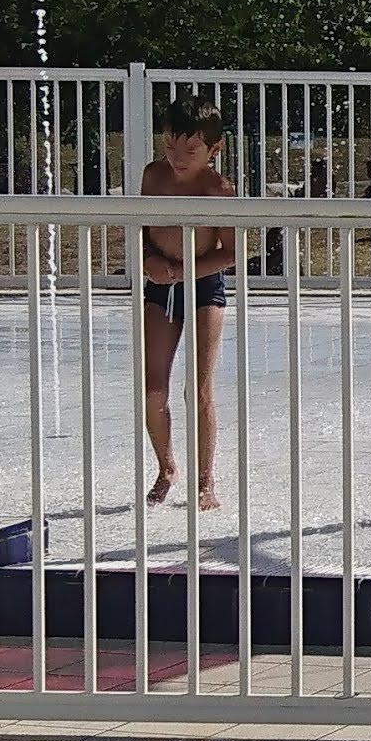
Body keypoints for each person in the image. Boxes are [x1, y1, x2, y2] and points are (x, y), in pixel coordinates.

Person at [137, 97, 239, 504]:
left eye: (191, 150)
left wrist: (182, 271)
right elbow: (141, 232)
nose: (177, 158)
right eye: (169, 146)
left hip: (203, 286)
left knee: (198, 389)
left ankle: (205, 480)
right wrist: (148, 260)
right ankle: (166, 467)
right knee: (153, 390)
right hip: (160, 287)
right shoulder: (153, 176)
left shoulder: (219, 189)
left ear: (214, 149)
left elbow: (231, 253)